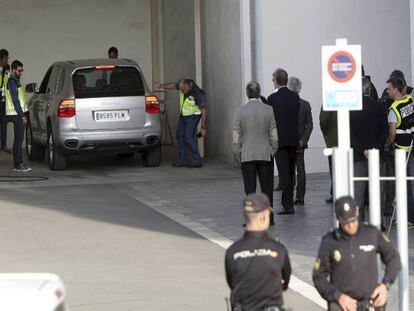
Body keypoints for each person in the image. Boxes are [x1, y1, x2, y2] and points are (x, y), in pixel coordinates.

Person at [313, 196, 401, 311]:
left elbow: (393, 258)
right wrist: (338, 296)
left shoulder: (371, 234)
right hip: (343, 306)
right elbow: (319, 277)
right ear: (338, 219)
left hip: (370, 302)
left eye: (353, 220)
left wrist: (385, 285)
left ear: (357, 212)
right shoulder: (329, 241)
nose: (350, 226)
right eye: (346, 222)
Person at [225, 193, 291, 311]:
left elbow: (232, 282)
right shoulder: (278, 249)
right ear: (263, 217)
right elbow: (285, 281)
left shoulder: (232, 252)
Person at [233, 82, 278, 225]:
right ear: (259, 93)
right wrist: (273, 150)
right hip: (265, 154)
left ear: (247, 93)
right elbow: (273, 133)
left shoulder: (240, 111)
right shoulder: (268, 109)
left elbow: (236, 134)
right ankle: (269, 218)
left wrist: (238, 151)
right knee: (267, 189)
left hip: (247, 154)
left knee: (250, 190)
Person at [350, 77, 388, 221]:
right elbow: (385, 130)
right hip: (377, 155)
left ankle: (358, 223)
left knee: (358, 192)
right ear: (370, 90)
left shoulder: (351, 110)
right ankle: (378, 222)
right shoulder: (379, 107)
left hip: (358, 157)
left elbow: (350, 134)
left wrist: (362, 150)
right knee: (378, 191)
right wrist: (374, 148)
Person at [267, 69, 300, 215]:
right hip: (293, 139)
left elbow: (270, 120)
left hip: (280, 141)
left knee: (284, 173)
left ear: (276, 81)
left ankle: (287, 205)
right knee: (291, 172)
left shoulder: (272, 99)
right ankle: (289, 203)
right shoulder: (295, 97)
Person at [157, 78, 207, 167]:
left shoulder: (197, 93)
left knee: (188, 136)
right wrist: (161, 85)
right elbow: (172, 85)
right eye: (180, 89)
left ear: (188, 85)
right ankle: (182, 160)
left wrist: (203, 126)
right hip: (183, 116)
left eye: (183, 89)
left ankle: (196, 160)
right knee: (179, 135)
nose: (182, 91)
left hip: (193, 116)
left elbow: (204, 110)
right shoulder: (181, 86)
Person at [386, 76, 414, 224]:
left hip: (400, 150)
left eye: (389, 88)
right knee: (412, 183)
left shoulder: (393, 109)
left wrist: (388, 144)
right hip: (411, 146)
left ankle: (405, 218)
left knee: (402, 185)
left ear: (396, 89)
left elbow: (393, 133)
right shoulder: (410, 101)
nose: (388, 91)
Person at [287, 77, 313, 205]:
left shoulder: (285, 104)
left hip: (288, 143)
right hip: (300, 144)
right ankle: (300, 197)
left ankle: (289, 196)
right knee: (300, 169)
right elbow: (310, 125)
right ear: (300, 88)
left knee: (288, 170)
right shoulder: (305, 104)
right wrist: (303, 139)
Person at [5, 60, 31, 172]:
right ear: (13, 70)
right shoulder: (12, 82)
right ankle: (18, 164)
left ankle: (18, 164)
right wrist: (22, 116)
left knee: (18, 140)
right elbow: (15, 101)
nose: (21, 72)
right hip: (17, 115)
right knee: (18, 140)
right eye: (19, 70)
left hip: (18, 114)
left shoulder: (16, 81)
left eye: (22, 70)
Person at [319, 107, 337, 204]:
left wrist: (327, 133)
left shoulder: (329, 101)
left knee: (333, 168)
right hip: (347, 139)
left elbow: (323, 120)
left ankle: (334, 193)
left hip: (333, 140)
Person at [0, 49, 10, 152]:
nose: (7, 61)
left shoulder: (7, 68)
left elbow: (8, 82)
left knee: (4, 124)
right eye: (5, 59)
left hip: (3, 101)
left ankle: (3, 146)